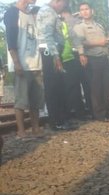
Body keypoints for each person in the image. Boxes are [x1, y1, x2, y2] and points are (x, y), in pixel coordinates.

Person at [4, 0, 44, 138]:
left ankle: (35, 128)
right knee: (21, 100)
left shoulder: (32, 14)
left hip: (36, 63)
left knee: (36, 100)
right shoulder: (12, 13)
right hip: (22, 62)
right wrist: (16, 62)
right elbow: (11, 39)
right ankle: (21, 131)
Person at [37, 0, 75, 131]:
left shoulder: (49, 11)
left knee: (57, 87)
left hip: (51, 53)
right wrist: (56, 56)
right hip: (50, 54)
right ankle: (57, 121)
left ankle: (59, 119)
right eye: (65, 4)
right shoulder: (48, 12)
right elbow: (48, 36)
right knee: (54, 88)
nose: (65, 7)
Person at [72, 2, 109, 122]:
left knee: (108, 86)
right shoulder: (79, 27)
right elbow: (79, 42)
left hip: (104, 58)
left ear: (92, 11)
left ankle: (106, 111)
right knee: (96, 88)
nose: (84, 11)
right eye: (82, 10)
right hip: (92, 59)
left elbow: (104, 40)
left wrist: (107, 41)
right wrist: (98, 44)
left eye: (86, 9)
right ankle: (99, 114)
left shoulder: (99, 25)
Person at [59, 7, 86, 120]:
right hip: (68, 57)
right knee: (74, 86)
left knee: (72, 86)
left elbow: (74, 40)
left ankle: (75, 111)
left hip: (69, 57)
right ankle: (77, 111)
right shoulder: (77, 21)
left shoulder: (64, 24)